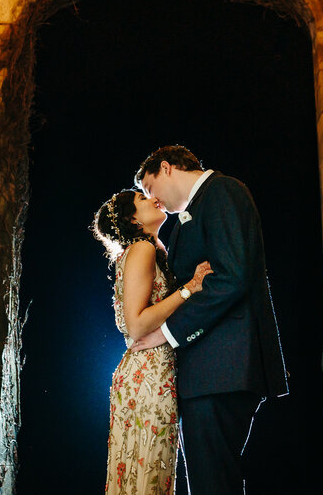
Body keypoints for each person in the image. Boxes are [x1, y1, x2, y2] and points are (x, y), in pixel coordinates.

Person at [130, 145, 288, 495]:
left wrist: (168, 333)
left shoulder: (223, 191)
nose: (151, 198)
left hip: (223, 369)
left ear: (167, 168)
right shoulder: (186, 221)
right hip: (207, 372)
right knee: (210, 479)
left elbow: (232, 278)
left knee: (212, 480)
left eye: (149, 188)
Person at [92, 188, 212, 495]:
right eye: (143, 199)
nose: (154, 199)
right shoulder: (142, 249)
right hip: (148, 375)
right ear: (133, 218)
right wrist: (190, 288)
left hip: (154, 371)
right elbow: (137, 324)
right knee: (149, 470)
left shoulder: (149, 248)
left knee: (151, 471)